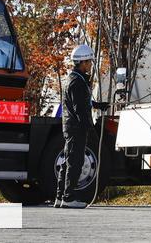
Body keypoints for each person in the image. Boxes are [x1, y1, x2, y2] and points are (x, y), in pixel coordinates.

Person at [57, 43, 108, 209]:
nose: (90, 65)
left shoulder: (74, 79)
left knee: (68, 162)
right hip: (76, 128)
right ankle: (68, 197)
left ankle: (60, 197)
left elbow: (81, 101)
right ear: (83, 62)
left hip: (70, 126)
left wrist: (97, 105)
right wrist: (90, 129)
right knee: (75, 162)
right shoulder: (77, 82)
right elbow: (79, 109)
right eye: (89, 62)